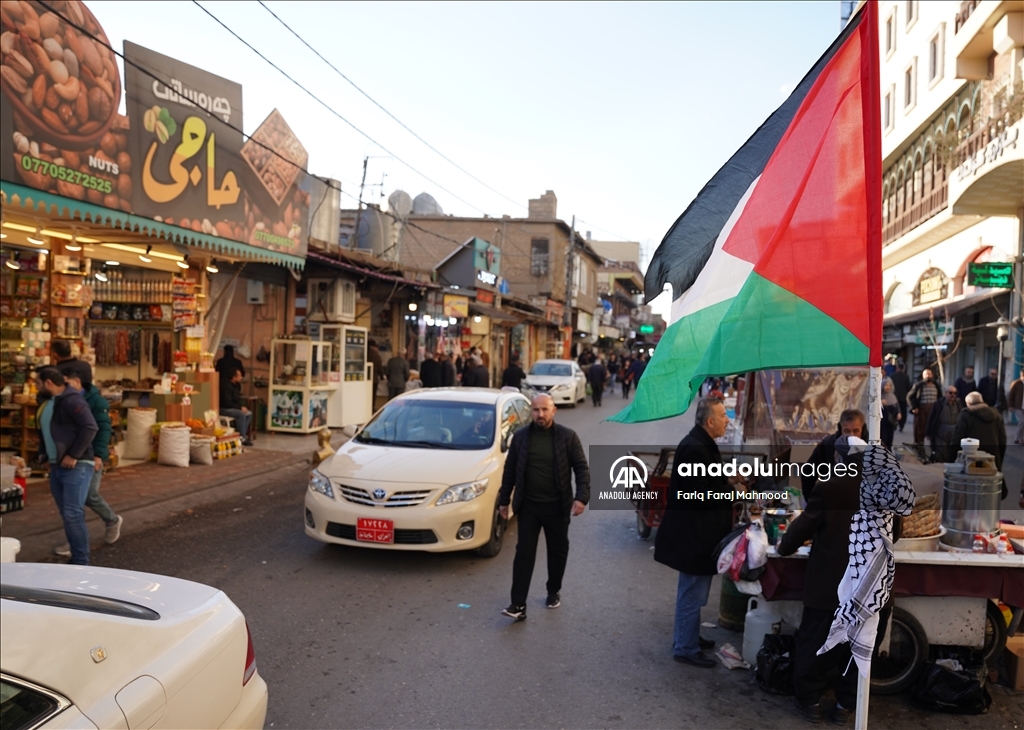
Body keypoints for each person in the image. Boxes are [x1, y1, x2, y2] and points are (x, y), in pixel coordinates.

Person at [779, 436, 900, 725]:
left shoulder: (832, 484)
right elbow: (897, 532)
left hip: (832, 584)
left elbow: (804, 526)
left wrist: (784, 547)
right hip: (873, 586)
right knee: (860, 647)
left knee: (815, 640)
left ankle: (809, 700)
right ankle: (846, 704)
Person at [654, 397, 733, 668]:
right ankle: (685, 647)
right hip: (694, 537)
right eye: (723, 416)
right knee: (692, 593)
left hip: (698, 535)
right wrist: (731, 493)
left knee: (694, 593)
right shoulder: (696, 448)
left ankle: (687, 637)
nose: (727, 420)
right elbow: (694, 494)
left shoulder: (701, 444)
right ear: (710, 421)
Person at [498, 394, 589, 619]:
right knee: (524, 554)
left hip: (557, 507)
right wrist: (503, 501)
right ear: (531, 412)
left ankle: (553, 590)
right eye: (536, 410)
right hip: (528, 507)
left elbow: (581, 468)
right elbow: (509, 471)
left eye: (544, 410)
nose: (540, 414)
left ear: (553, 410)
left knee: (557, 552)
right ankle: (518, 605)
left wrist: (581, 498)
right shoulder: (520, 438)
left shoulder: (567, 437)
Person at [53, 362, 122, 557]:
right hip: (71, 457)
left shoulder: (96, 402)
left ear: (76, 381)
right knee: (73, 503)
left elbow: (102, 428)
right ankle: (75, 541)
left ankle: (111, 520)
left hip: (89, 456)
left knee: (88, 496)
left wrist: (99, 454)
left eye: (65, 382)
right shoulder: (61, 399)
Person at [36, 367, 98, 566]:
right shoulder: (49, 403)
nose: (36, 387)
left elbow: (90, 427)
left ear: (48, 383)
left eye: (38, 383)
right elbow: (46, 431)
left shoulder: (72, 400)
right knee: (68, 514)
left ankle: (81, 562)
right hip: (58, 465)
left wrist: (74, 455)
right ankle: (77, 558)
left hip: (76, 465)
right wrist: (44, 453)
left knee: (72, 513)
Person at [800, 409, 865, 501]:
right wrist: (813, 503)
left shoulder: (874, 446)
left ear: (863, 429)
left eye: (856, 431)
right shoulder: (828, 445)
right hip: (833, 502)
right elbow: (807, 472)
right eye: (847, 431)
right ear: (840, 428)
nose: (852, 435)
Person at [954, 392, 1008, 499]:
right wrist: (998, 460)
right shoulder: (997, 415)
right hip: (992, 458)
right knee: (990, 495)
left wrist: (952, 460)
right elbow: (1003, 440)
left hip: (970, 460)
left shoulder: (966, 415)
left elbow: (957, 438)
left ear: (968, 403)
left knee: (971, 494)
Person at [926, 386, 963, 463]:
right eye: (950, 393)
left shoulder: (958, 404)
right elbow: (931, 418)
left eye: (955, 393)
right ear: (945, 393)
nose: (952, 395)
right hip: (941, 433)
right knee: (941, 453)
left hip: (954, 432)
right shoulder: (938, 404)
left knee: (952, 452)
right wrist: (928, 432)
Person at [220, 368, 253, 446]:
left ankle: (242, 434)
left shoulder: (236, 385)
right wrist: (239, 408)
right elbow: (227, 402)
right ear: (233, 377)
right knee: (240, 414)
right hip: (224, 408)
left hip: (234, 407)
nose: (241, 377)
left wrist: (241, 406)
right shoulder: (225, 386)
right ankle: (241, 437)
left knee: (249, 414)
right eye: (239, 376)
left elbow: (237, 399)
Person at [908, 369, 940, 448]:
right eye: (926, 374)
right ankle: (919, 447)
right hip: (922, 410)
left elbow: (940, 397)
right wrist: (913, 407)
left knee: (933, 429)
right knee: (919, 430)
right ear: (923, 376)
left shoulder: (936, 385)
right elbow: (909, 397)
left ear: (932, 375)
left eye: (929, 374)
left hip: (933, 410)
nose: (928, 376)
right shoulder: (918, 385)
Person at [889, 362, 911, 432]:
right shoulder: (906, 376)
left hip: (894, 397)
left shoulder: (892, 376)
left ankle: (894, 424)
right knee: (903, 412)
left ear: (897, 368)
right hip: (903, 397)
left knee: (894, 411)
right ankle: (901, 425)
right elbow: (908, 387)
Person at [881, 380, 900, 449]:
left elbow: (896, 406)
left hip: (891, 420)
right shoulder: (879, 396)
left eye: (889, 385)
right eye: (886, 385)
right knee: (883, 437)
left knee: (890, 437)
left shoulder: (892, 396)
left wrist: (899, 413)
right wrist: (880, 402)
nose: (887, 387)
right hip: (883, 420)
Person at [1010, 373, 1024, 445]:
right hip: (1017, 406)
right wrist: (1010, 405)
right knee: (1022, 421)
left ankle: (1021, 438)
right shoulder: (1016, 383)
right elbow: (1011, 394)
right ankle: (1017, 437)